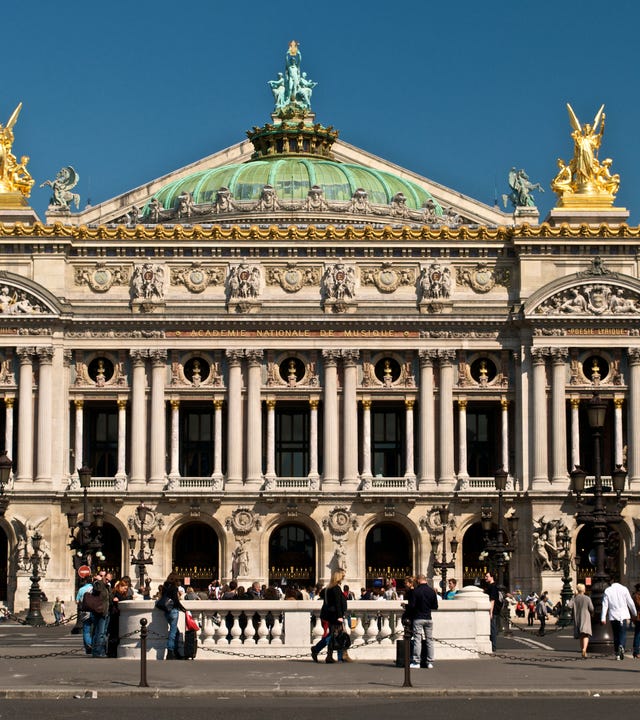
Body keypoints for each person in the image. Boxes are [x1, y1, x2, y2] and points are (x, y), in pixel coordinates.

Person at [311, 568, 352, 663]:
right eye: (342, 577)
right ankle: (318, 649)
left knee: (334, 635)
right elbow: (337, 603)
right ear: (339, 578)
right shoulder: (336, 588)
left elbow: (325, 598)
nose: (342, 579)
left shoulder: (327, 588)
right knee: (336, 636)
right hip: (335, 616)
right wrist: (340, 616)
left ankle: (331, 656)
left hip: (329, 615)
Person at [408, 573, 438, 669]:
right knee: (430, 640)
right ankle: (429, 662)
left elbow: (412, 606)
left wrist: (406, 606)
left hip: (418, 618)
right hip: (428, 618)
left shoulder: (415, 591)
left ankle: (417, 662)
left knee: (417, 640)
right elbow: (435, 606)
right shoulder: (431, 591)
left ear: (418, 580)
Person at [601, 579, 636, 660]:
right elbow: (630, 602)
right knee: (622, 633)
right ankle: (621, 646)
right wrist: (634, 613)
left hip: (613, 616)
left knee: (615, 634)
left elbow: (605, 605)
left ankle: (617, 653)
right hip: (623, 615)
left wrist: (603, 617)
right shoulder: (624, 589)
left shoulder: (608, 590)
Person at [159, 572, 187, 660]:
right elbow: (175, 600)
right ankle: (170, 652)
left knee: (176, 631)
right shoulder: (174, 587)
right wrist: (183, 609)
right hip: (173, 611)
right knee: (173, 632)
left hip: (166, 611)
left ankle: (176, 651)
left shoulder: (165, 587)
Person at [90, 570, 111, 658]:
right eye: (106, 579)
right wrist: (99, 581)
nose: (108, 581)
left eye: (109, 580)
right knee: (100, 632)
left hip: (106, 611)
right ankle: (98, 651)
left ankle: (99, 650)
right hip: (100, 612)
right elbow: (97, 590)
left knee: (103, 632)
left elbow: (110, 597)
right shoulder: (98, 584)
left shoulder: (107, 586)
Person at [572, 583, 594, 658]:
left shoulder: (575, 598)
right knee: (586, 634)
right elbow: (591, 608)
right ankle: (584, 649)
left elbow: (568, 606)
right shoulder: (587, 598)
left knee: (581, 635)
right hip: (586, 618)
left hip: (577, 618)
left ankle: (582, 649)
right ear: (584, 589)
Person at [76, 578, 94, 654]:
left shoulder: (81, 589)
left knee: (86, 630)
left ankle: (88, 646)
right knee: (94, 630)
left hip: (85, 611)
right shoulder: (94, 588)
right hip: (94, 611)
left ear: (85, 581)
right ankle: (92, 645)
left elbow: (77, 601)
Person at [484, 572, 501, 650]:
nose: (485, 577)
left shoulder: (493, 587)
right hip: (492, 610)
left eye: (487, 576)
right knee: (491, 628)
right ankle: (492, 644)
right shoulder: (490, 586)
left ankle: (493, 646)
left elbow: (492, 600)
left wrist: (491, 612)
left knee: (492, 628)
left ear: (492, 577)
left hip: (493, 610)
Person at [631, 583, 640, 659]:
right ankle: (636, 652)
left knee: (637, 634)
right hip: (638, 618)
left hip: (637, 618)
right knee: (637, 635)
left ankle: (636, 652)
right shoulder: (636, 596)